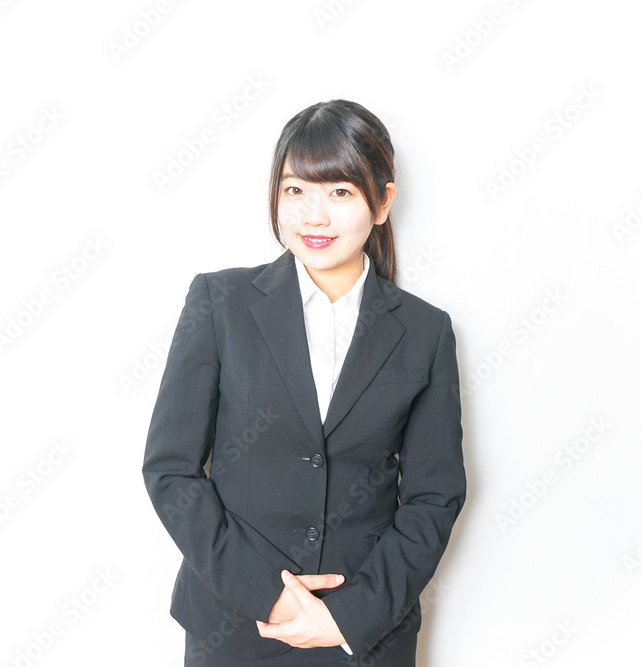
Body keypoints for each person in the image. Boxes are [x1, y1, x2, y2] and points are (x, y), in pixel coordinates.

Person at [142, 99, 466, 666]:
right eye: (296, 190)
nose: (314, 216)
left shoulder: (425, 331)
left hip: (364, 636)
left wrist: (349, 615)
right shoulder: (220, 303)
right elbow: (171, 470)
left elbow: (433, 496)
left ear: (383, 202)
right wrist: (270, 597)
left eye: (339, 192)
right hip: (235, 629)